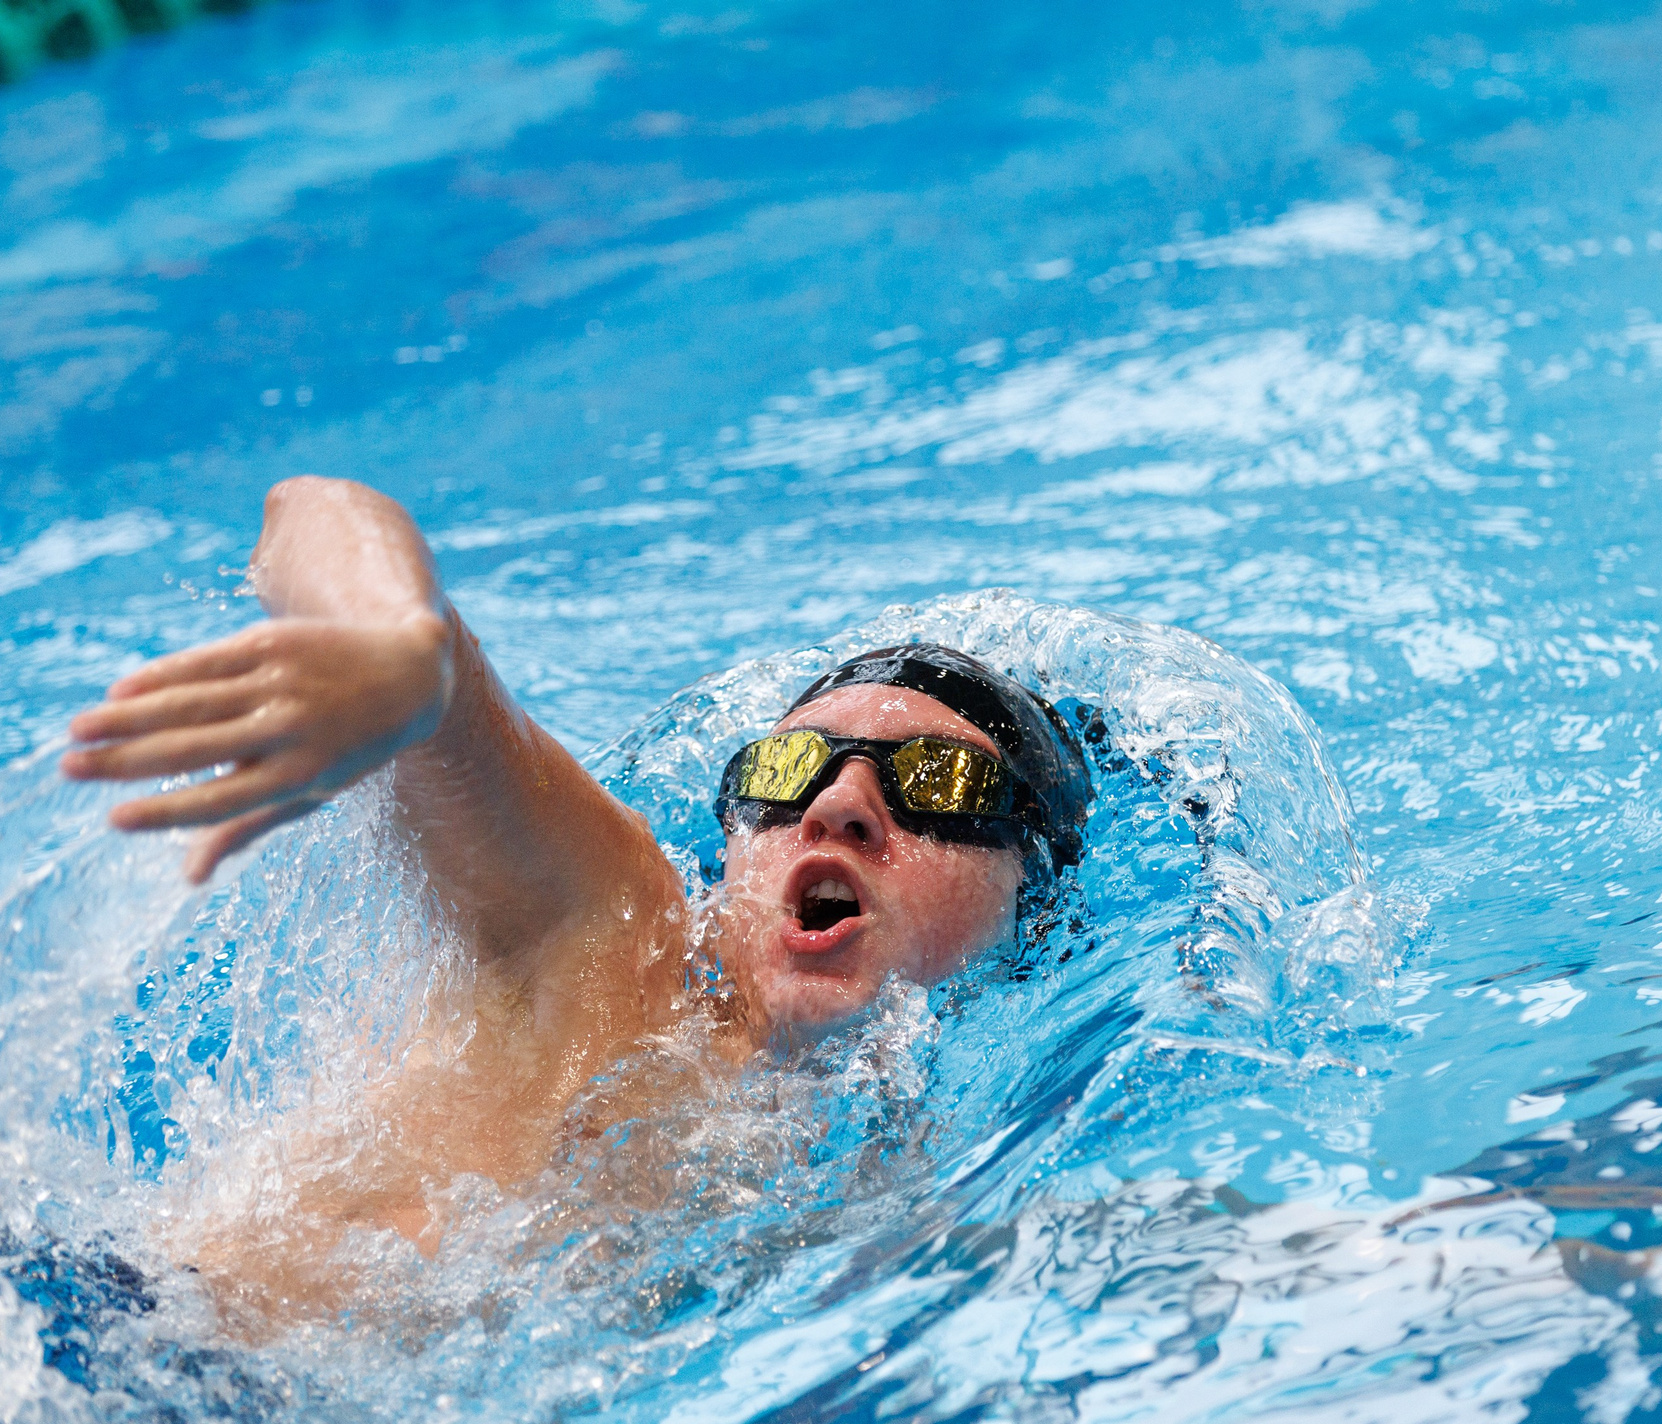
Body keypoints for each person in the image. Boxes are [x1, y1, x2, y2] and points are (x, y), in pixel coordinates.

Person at [63, 478, 1091, 1328]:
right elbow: (308, 508)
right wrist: (399, 650)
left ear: (1028, 895)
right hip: (118, 1349)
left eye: (935, 785)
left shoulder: (916, 1170)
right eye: (783, 770)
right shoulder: (613, 935)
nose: (839, 804)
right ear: (731, 849)